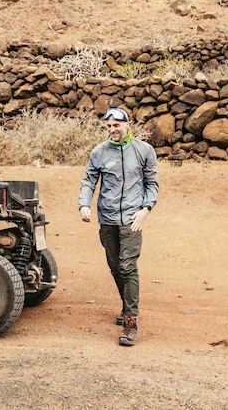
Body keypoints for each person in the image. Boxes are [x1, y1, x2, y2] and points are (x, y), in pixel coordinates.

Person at [78, 107, 159, 347]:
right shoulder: (99, 152)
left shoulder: (144, 151)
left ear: (127, 125)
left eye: (116, 125)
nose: (112, 130)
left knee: (128, 266)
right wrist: (84, 204)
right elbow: (89, 181)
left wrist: (146, 209)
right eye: (108, 126)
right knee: (115, 267)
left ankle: (130, 322)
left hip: (133, 218)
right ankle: (127, 307)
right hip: (107, 217)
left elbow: (152, 183)